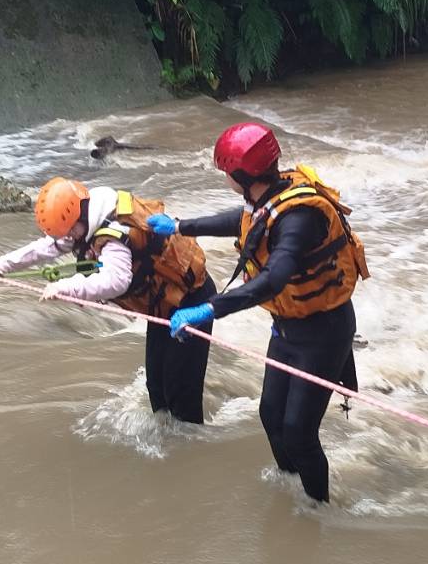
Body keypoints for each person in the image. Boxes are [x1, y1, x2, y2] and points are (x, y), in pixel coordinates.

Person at [152, 123, 369, 502]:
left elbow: (273, 279)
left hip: (322, 334)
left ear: (241, 174)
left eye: (226, 172)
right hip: (288, 330)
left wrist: (209, 309)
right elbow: (242, 221)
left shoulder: (299, 218)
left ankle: (318, 510)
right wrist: (180, 226)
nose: (225, 179)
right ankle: (290, 487)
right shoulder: (270, 195)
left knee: (299, 432)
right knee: (271, 416)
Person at [0, 178, 218, 423]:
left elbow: (116, 280)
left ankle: (195, 447)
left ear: (80, 215)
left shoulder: (114, 234)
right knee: (157, 387)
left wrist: (66, 287)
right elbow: (43, 249)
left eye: (70, 230)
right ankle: (172, 448)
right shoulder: (83, 222)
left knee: (180, 393)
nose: (68, 237)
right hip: (163, 306)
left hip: (192, 303)